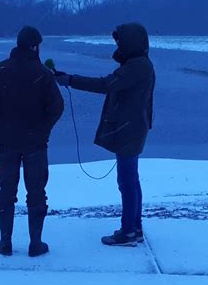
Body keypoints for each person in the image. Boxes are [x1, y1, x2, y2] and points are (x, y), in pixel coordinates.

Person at [55, 23, 155, 246]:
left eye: (121, 42)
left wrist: (71, 80)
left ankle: (129, 232)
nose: (118, 45)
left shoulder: (137, 66)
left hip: (130, 130)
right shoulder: (138, 64)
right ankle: (134, 228)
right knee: (131, 180)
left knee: (127, 181)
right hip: (132, 128)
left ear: (131, 42)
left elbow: (105, 85)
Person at [0, 26, 64, 257]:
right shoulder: (43, 74)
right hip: (36, 143)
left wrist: (0, 120)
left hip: (7, 141)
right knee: (36, 192)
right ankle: (35, 243)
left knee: (6, 191)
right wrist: (43, 129)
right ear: (35, 46)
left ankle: (5, 242)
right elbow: (57, 108)